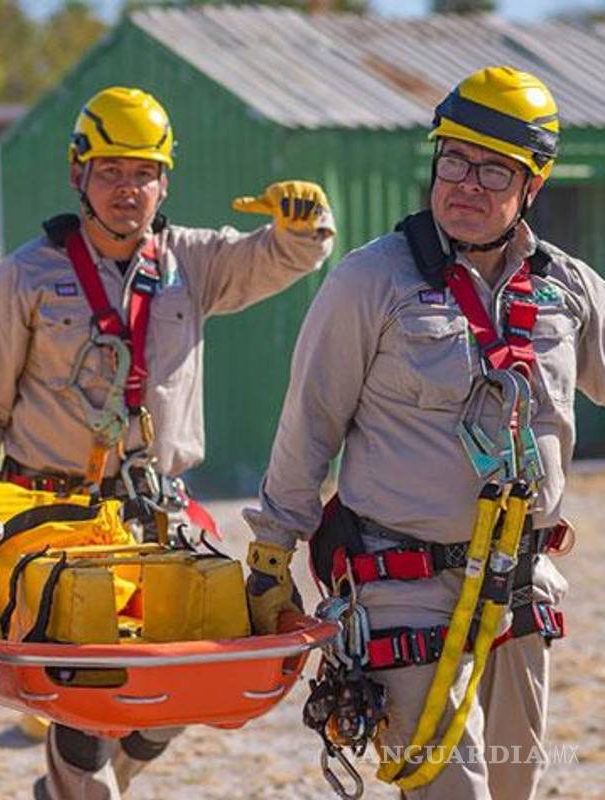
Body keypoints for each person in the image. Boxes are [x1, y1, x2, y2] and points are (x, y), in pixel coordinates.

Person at [0, 85, 334, 800]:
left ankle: (90, 783)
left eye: (142, 173)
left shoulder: (193, 263)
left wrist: (306, 223)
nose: (127, 189)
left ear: (165, 181)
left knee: (184, 680)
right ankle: (82, 785)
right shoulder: (27, 276)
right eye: (109, 171)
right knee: (89, 681)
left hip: (158, 516)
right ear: (78, 176)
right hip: (54, 518)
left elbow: (277, 258)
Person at [244, 66, 588, 800]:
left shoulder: (570, 291)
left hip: (520, 587)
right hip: (405, 587)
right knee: (448, 789)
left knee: (516, 786)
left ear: (535, 183)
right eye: (453, 160)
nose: (466, 182)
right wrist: (271, 557)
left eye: (493, 168)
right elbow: (307, 424)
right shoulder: (371, 282)